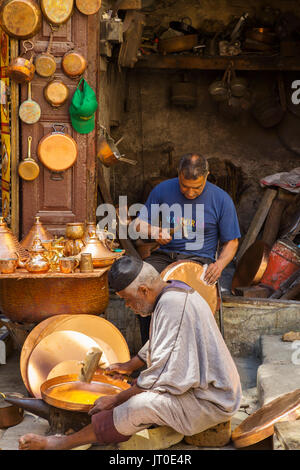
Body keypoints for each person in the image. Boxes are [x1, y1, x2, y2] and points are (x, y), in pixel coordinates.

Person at [19, 256, 241, 451]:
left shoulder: (173, 306)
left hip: (211, 400)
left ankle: (61, 443)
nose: (127, 305)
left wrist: (115, 400)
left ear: (144, 290)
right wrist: (129, 365)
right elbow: (161, 341)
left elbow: (158, 376)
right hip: (205, 390)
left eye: (127, 299)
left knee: (139, 405)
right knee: (135, 390)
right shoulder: (172, 292)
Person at [135, 153, 241, 344]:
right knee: (141, 286)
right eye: (184, 186)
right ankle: (149, 351)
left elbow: (231, 242)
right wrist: (154, 230)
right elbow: (137, 224)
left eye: (197, 188)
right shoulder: (163, 189)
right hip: (165, 255)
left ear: (207, 176)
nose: (190, 193)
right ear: (179, 174)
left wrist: (220, 265)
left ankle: (190, 352)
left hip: (200, 259)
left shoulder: (221, 199)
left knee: (182, 298)